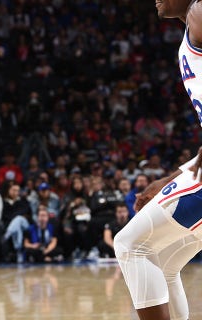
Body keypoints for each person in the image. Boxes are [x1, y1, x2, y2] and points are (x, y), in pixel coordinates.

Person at [114, 1, 202, 320]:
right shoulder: (190, 30)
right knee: (162, 261)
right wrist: (170, 179)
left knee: (130, 244)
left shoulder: (199, 13)